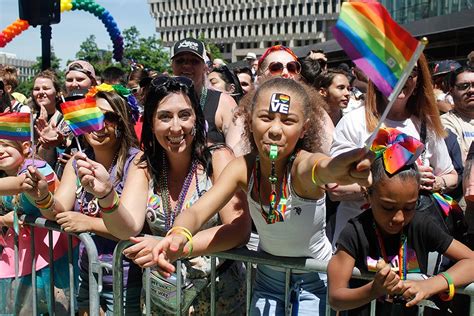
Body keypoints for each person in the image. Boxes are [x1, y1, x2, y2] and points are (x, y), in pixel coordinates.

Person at [133, 78, 373, 315]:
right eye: (266, 118)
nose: (275, 130)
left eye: (288, 121)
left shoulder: (302, 167)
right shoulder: (241, 169)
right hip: (267, 279)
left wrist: (343, 166)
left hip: (313, 279)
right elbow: (196, 211)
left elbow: (323, 167)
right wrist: (178, 235)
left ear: (305, 128)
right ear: (249, 121)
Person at [75, 75, 250, 315]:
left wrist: (175, 247)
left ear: (197, 119)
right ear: (151, 123)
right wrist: (106, 195)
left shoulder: (219, 159)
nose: (176, 127)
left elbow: (238, 228)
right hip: (162, 301)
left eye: (185, 115)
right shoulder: (143, 165)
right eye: (165, 117)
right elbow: (127, 228)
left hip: (218, 300)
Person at [328, 129, 474, 315]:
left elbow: (471, 260)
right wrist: (374, 290)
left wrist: (430, 285)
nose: (399, 217)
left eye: (409, 207)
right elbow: (335, 297)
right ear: (367, 195)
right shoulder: (356, 231)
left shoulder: (420, 224)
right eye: (388, 208)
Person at [24, 85, 142, 315]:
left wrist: (87, 223)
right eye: (93, 116)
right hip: (85, 275)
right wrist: (42, 195)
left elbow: (131, 228)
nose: (99, 124)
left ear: (123, 122)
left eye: (109, 117)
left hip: (127, 279)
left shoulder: (136, 162)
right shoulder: (77, 162)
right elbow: (58, 212)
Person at [330, 54, 458, 245]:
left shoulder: (426, 125)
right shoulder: (354, 122)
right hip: (360, 241)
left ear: (419, 79)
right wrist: (397, 181)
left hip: (411, 244)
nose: (401, 77)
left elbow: (451, 175)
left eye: (411, 71)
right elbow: (334, 188)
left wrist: (435, 182)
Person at [0, 139, 71, 314]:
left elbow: (22, 184)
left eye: (6, 145)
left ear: (25, 147)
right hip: (23, 254)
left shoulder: (36, 168)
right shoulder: (5, 175)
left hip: (51, 256)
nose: (0, 151)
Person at [170, 38, 245, 155]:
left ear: (205, 67)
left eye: (194, 61)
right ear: (172, 66)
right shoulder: (163, 102)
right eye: (180, 61)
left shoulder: (223, 102)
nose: (186, 65)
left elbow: (237, 153)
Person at [256, 45, 334, 155]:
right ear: (259, 79)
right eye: (275, 68)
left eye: (292, 67)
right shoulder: (245, 112)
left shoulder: (315, 110)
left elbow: (333, 152)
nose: (285, 73)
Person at [441, 66, 474, 164]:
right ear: (451, 92)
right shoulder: (445, 123)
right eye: (464, 86)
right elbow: (461, 163)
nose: (471, 90)